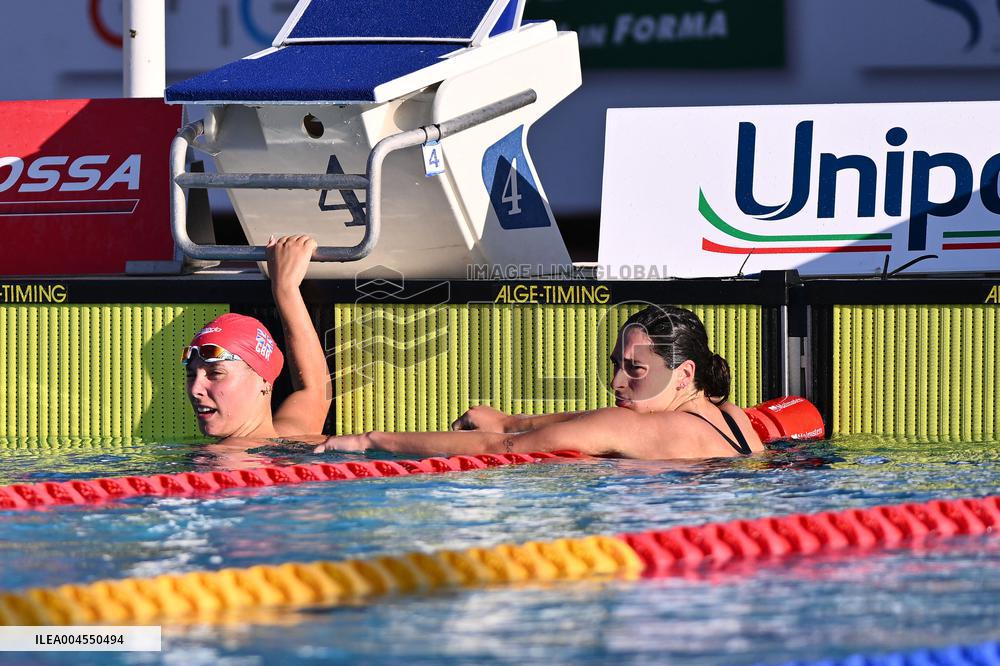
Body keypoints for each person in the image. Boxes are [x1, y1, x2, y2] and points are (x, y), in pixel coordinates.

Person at [315, 305, 764, 459]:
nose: (615, 381)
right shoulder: (735, 420)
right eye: (616, 364)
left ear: (684, 374)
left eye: (636, 370)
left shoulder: (638, 427)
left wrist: (371, 440)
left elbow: (497, 450)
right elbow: (587, 420)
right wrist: (510, 419)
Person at [183, 235, 330, 449]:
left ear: (264, 380)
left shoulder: (216, 460)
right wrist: (286, 288)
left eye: (215, 373)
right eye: (191, 374)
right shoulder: (295, 436)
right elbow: (315, 390)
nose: (195, 388)